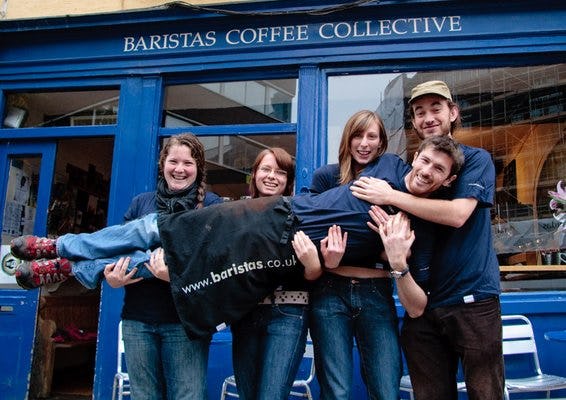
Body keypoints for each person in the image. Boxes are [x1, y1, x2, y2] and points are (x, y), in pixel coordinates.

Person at [10, 136, 462, 339]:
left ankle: (72, 265)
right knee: (155, 227)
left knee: (180, 257)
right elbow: (345, 161)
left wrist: (375, 256)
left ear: (446, 181)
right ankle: (62, 250)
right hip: (271, 213)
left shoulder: (411, 230)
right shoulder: (384, 167)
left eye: (437, 171)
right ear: (412, 155)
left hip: (274, 253)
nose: (424, 172)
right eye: (423, 161)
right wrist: (386, 191)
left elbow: (417, 303)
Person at [22, 133, 221, 400]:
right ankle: (66, 259)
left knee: (188, 396)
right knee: (143, 396)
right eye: (174, 161)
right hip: (138, 319)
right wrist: (111, 278)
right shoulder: (142, 202)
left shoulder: (211, 205)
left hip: (184, 322)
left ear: (199, 168)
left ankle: (66, 261)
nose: (180, 169)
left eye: (188, 163)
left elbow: (207, 265)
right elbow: (115, 247)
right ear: (162, 163)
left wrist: (170, 275)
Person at [351, 80, 504, 400]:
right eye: (419, 112)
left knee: (485, 393)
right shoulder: (407, 173)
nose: (428, 117)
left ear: (453, 113)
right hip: (422, 308)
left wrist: (391, 195)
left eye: (436, 109)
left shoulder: (476, 160)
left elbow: (458, 214)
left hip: (472, 302)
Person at [230, 147, 344, 400]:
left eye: (280, 172)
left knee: (272, 395)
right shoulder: (235, 215)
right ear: (254, 175)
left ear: (289, 181)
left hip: (288, 312)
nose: (272, 176)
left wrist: (312, 263)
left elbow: (313, 275)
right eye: (266, 169)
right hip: (245, 314)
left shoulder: (301, 214)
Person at [308, 109, 403, 400]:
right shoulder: (327, 176)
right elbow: (307, 228)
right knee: (336, 391)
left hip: (377, 289)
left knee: (386, 387)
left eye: (371, 136)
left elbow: (406, 235)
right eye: (357, 136)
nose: (364, 143)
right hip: (330, 289)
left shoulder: (392, 175)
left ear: (381, 142)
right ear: (347, 141)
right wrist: (327, 260)